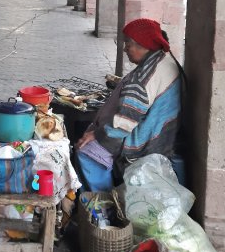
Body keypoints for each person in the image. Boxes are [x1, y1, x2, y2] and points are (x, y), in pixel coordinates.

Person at [74, 18, 182, 191]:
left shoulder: (139, 81)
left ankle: (104, 201)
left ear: (143, 45)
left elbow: (123, 125)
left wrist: (97, 135)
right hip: (165, 133)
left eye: (128, 44)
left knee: (87, 151)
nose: (125, 49)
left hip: (146, 142)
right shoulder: (164, 59)